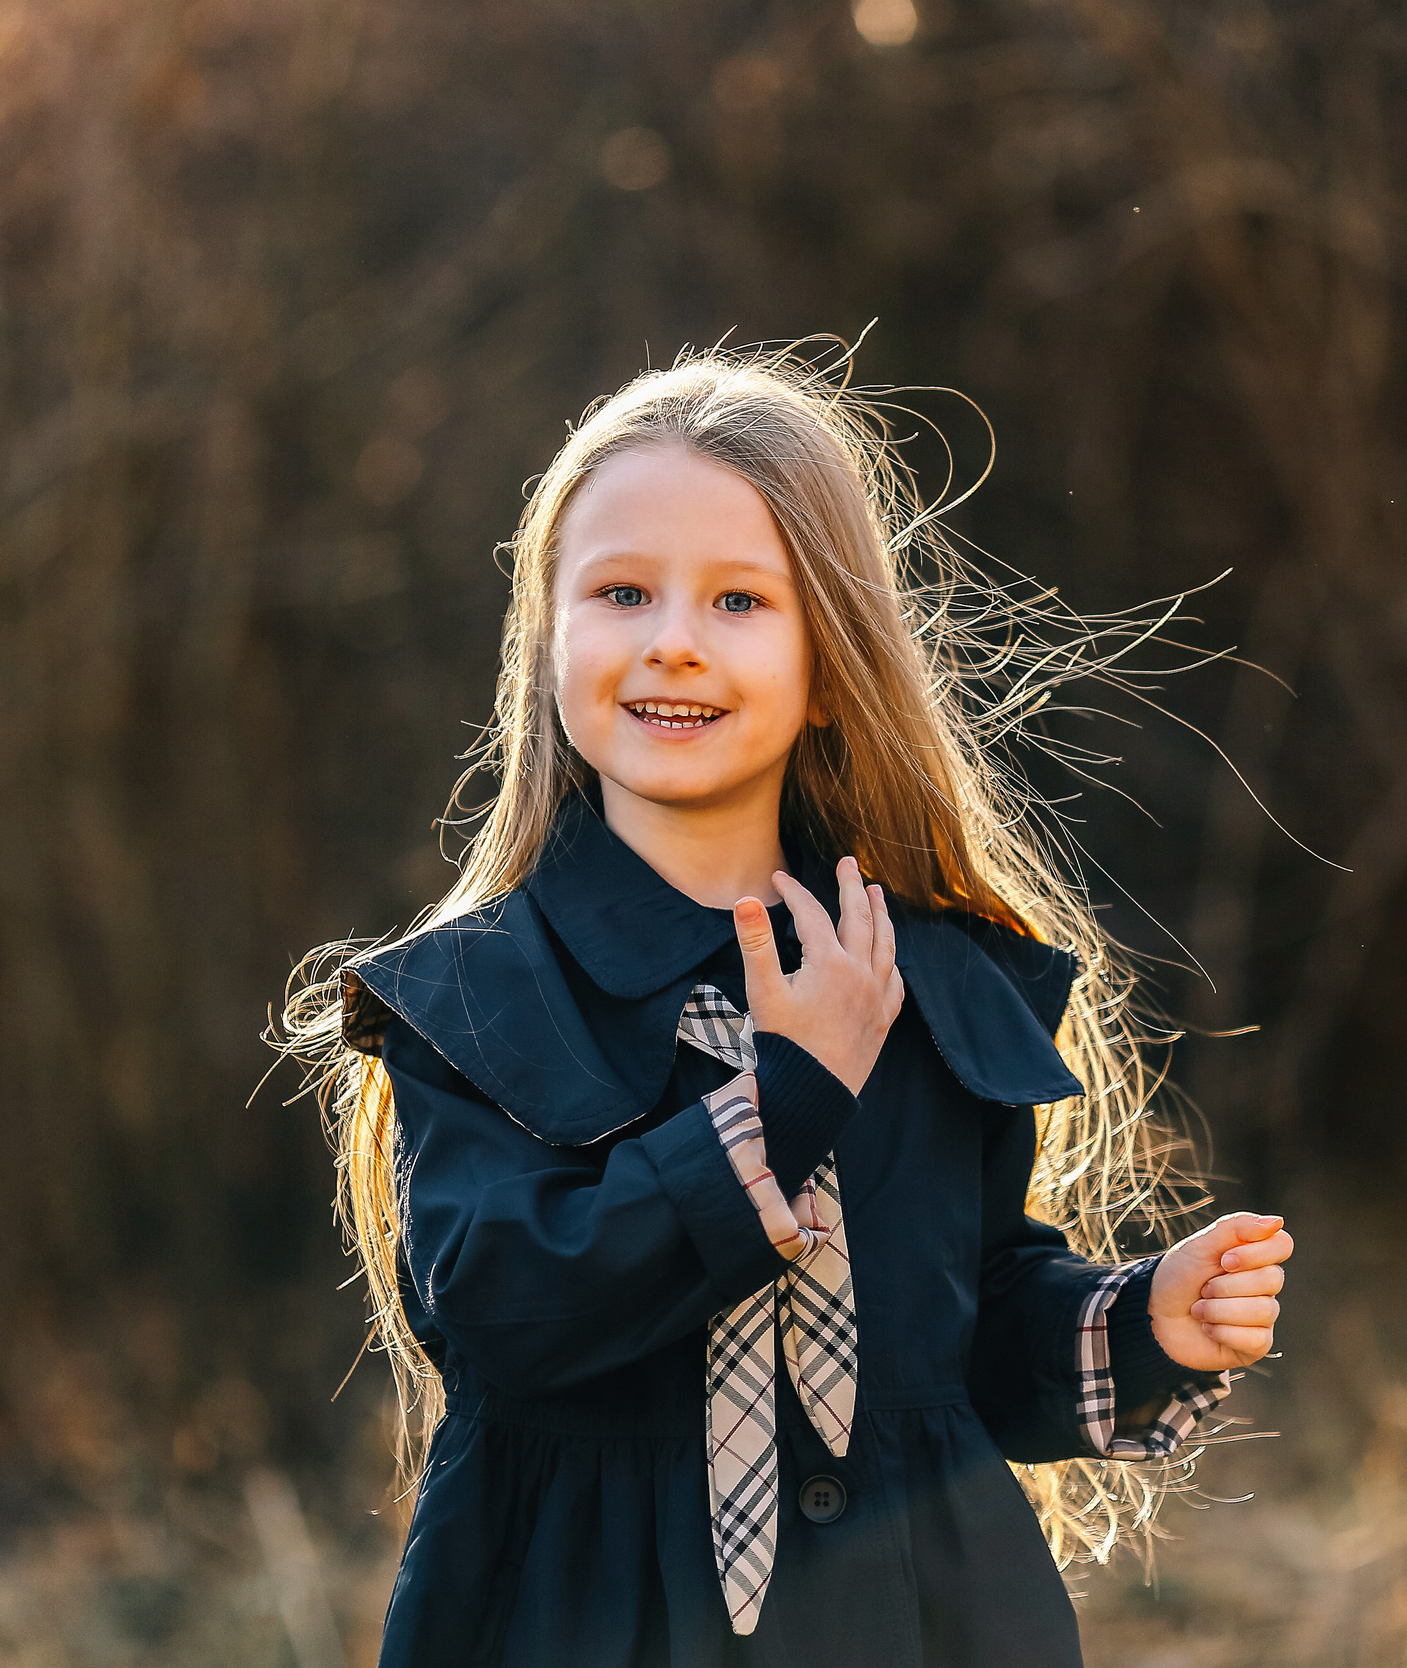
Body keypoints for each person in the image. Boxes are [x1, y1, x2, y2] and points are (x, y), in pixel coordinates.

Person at [277, 346, 1292, 1666]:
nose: (674, 640)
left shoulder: (925, 973)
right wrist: (778, 1105)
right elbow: (500, 1309)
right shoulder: (477, 997)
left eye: (740, 599)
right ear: (549, 643)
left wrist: (1136, 1319)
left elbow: (957, 1331)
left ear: (829, 661)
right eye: (622, 591)